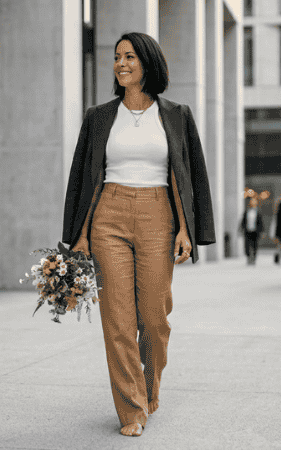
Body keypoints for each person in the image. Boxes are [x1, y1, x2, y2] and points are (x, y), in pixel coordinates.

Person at [62, 32, 215, 438]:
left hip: (158, 215)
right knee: (117, 319)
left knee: (154, 317)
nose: (121, 63)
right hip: (107, 216)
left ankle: (149, 389)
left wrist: (188, 228)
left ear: (148, 63)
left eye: (129, 56)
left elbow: (191, 176)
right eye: (116, 57)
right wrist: (78, 235)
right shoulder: (98, 117)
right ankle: (131, 409)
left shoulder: (177, 115)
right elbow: (80, 177)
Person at [240, 196, 263, 265]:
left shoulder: (258, 212)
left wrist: (262, 231)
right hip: (247, 231)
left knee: (255, 245)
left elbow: (261, 222)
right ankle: (248, 258)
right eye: (251, 201)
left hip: (255, 232)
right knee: (247, 245)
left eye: (254, 201)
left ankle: (253, 259)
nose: (252, 203)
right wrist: (241, 229)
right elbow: (243, 221)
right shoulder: (247, 211)